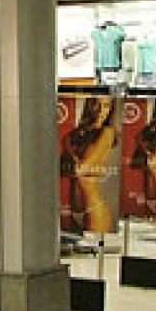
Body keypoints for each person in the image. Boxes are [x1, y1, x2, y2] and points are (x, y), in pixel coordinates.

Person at [61, 96, 119, 233]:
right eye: (97, 105)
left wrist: (70, 154)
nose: (101, 111)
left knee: (97, 243)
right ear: (89, 106)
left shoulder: (107, 133)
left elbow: (80, 170)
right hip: (72, 207)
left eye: (106, 106)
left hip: (94, 207)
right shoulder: (77, 134)